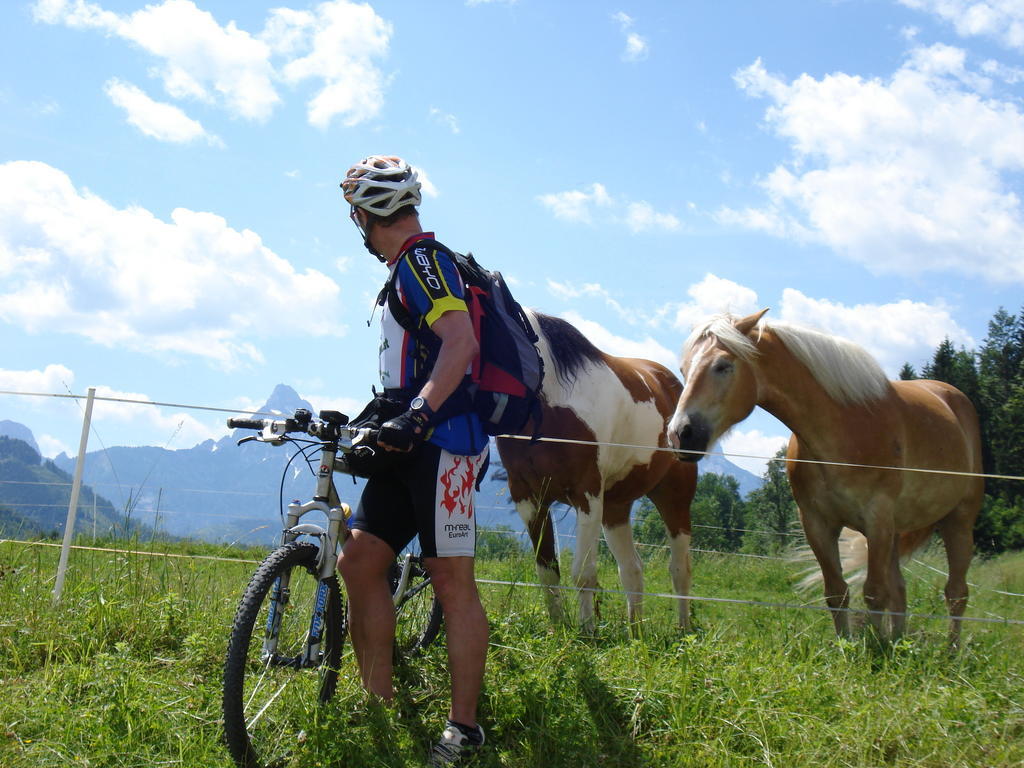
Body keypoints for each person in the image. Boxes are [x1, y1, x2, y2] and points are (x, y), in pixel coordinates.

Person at [337, 155, 489, 766]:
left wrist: (421, 414)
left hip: (444, 445)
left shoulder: (424, 262)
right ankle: (379, 700)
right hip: (406, 443)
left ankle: (464, 729)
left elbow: (461, 342)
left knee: (452, 583)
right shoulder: (404, 270)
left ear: (363, 215)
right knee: (359, 560)